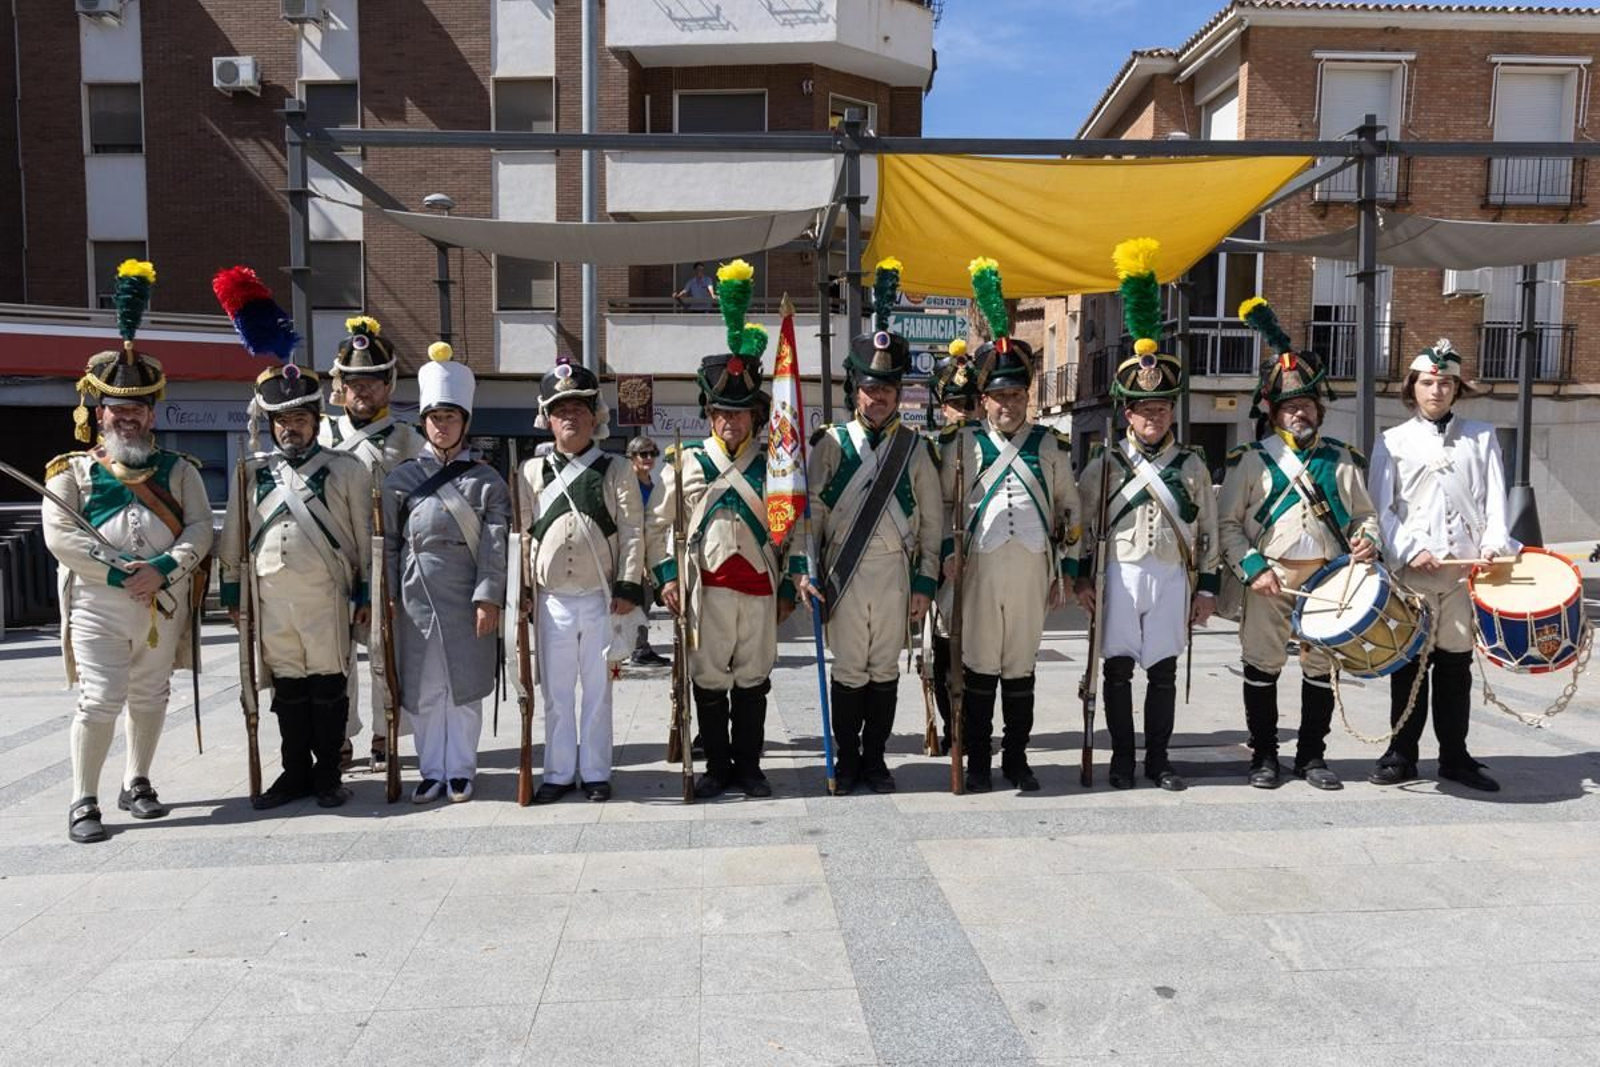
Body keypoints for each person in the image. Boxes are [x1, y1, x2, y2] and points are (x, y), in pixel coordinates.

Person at [42, 260, 213, 843]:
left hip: (161, 602)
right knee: (99, 700)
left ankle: (137, 781)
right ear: (98, 412)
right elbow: (61, 539)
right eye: (118, 408)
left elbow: (200, 530)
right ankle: (82, 799)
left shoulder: (179, 471)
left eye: (138, 408)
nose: (128, 417)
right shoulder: (69, 473)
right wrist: (123, 578)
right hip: (98, 603)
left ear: (152, 412)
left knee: (150, 693)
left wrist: (163, 569)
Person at [1073, 238, 1219, 792]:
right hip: (1118, 572)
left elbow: (1205, 529)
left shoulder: (1193, 465)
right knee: (1115, 671)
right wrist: (1080, 577)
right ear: (1127, 414)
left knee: (1161, 672)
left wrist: (1206, 589)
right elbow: (1080, 526)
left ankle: (1158, 761)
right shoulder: (1103, 464)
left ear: (1170, 410)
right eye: (1142, 410)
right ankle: (1120, 760)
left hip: (1170, 572)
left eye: (1160, 409)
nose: (1152, 418)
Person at [1220, 297, 1381, 791]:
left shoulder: (1342, 459)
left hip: (1329, 581)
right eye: (1290, 407)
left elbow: (1366, 516)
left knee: (1319, 669)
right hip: (1268, 579)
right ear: (1274, 413)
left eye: (1306, 405)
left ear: (1319, 408)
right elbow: (1228, 526)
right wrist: (1253, 569)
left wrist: (1367, 541)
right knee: (1262, 667)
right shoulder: (1250, 460)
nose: (1299, 414)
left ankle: (1312, 756)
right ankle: (1264, 756)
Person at [648, 260, 795, 798]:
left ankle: (750, 767)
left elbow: (792, 521)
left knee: (752, 679)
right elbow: (660, 521)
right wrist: (666, 575)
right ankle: (716, 769)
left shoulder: (776, 463)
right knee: (709, 680)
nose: (730, 422)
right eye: (721, 413)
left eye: (739, 413)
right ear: (708, 413)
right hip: (704, 586)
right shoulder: (684, 460)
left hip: (758, 585)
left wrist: (794, 574)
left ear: (755, 415)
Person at [938, 256, 1079, 794]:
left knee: (1020, 667)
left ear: (1027, 397)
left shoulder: (1049, 446)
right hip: (978, 567)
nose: (1007, 404)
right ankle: (977, 761)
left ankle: (1016, 758)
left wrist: (1066, 567)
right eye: (998, 396)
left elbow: (1071, 510)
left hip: (1030, 566)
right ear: (983, 400)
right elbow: (941, 511)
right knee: (977, 669)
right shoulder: (960, 445)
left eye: (1016, 395)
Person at [802, 257, 942, 795]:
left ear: (899, 390)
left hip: (894, 576)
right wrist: (803, 570)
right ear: (854, 387)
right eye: (870, 385)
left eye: (888, 386)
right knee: (849, 671)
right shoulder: (831, 445)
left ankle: (877, 759)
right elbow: (809, 513)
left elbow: (931, 521)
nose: (878, 395)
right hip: (843, 572)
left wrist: (926, 583)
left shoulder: (916, 449)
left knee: (884, 671)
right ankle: (849, 757)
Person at [1366, 339, 1517, 792]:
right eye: (1428, 383)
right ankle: (1401, 754)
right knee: (1408, 667)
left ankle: (1455, 756)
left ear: (1456, 389)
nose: (1437, 391)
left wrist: (1492, 546)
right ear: (1413, 389)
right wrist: (1410, 550)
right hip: (1413, 573)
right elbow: (1381, 506)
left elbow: (1496, 501)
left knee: (1455, 669)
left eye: (1446, 383)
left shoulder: (1482, 435)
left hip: (1462, 575)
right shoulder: (1392, 441)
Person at [221, 360, 371, 810]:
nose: (292, 428)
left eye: (301, 419)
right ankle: (294, 773)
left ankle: (327, 773)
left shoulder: (346, 470)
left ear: (316, 422)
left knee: (327, 686)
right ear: (271, 425)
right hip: (270, 601)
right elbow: (233, 537)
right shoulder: (251, 471)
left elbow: (365, 539)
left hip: (326, 599)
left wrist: (364, 593)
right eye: (283, 420)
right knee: (287, 688)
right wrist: (232, 593)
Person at [382, 343, 509, 804]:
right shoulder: (400, 480)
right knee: (424, 690)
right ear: (424, 422)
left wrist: (489, 596)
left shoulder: (486, 481)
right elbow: (391, 544)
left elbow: (495, 546)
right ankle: (431, 770)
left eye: (451, 417)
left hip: (465, 596)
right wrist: (390, 594)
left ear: (465, 423)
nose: (442, 425)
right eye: (435, 417)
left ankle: (461, 769)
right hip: (414, 596)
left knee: (463, 689)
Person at [519, 356, 645, 802]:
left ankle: (595, 772)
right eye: (560, 410)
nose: (569, 416)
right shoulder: (531, 472)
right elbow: (524, 535)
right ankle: (557, 772)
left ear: (595, 416)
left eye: (577, 408)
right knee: (555, 693)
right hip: (550, 598)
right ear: (548, 419)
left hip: (599, 598)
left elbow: (632, 531)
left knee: (597, 690)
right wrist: (522, 592)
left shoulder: (616, 469)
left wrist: (629, 585)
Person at [318, 315, 424, 772]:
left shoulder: (408, 440)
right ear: (339, 384)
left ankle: (387, 732)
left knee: (385, 652)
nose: (364, 390)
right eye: (354, 381)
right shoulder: (320, 434)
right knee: (337, 656)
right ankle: (340, 737)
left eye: (374, 381)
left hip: (387, 559)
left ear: (390, 384)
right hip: (333, 562)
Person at [923, 337, 981, 752]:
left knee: (982, 655)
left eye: (969, 402)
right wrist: (944, 551)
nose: (963, 410)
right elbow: (931, 509)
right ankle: (951, 726)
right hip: (948, 564)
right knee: (944, 655)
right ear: (942, 405)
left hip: (989, 559)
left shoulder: (997, 444)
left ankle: (976, 727)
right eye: (955, 403)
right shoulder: (932, 450)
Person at [626, 434, 671, 667]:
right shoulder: (629, 484)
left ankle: (639, 646)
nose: (649, 458)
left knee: (644, 603)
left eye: (652, 453)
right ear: (632, 457)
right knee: (638, 602)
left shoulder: (651, 484)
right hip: (635, 552)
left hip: (649, 551)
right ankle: (638, 649)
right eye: (643, 454)